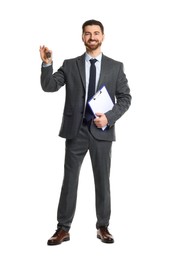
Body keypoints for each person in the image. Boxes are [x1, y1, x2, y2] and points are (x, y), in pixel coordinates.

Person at [39, 19, 131, 245]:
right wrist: (47, 64)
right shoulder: (70, 65)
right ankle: (63, 228)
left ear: (103, 36)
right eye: (88, 33)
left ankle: (103, 227)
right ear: (82, 37)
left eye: (96, 33)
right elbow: (49, 86)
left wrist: (108, 117)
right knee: (69, 180)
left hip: (102, 132)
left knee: (102, 180)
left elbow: (126, 98)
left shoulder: (115, 66)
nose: (92, 37)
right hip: (75, 132)